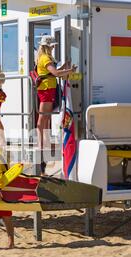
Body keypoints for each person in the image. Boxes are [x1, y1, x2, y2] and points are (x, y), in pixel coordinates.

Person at [36, 35, 76, 174]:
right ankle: (41, 147)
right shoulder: (46, 58)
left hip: (48, 89)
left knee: (44, 120)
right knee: (43, 121)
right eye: (52, 45)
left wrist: (65, 67)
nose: (54, 47)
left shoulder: (46, 58)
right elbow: (56, 73)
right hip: (46, 90)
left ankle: (43, 145)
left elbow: (55, 72)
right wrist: (69, 71)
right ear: (48, 46)